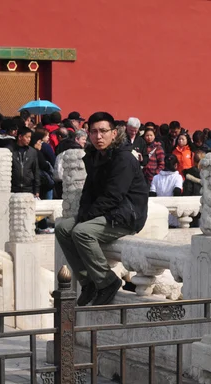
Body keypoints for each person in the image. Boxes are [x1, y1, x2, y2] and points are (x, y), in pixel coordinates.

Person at [55, 112, 148, 307]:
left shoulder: (123, 158)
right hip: (106, 212)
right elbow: (89, 191)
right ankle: (88, 282)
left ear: (114, 133)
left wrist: (86, 218)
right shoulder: (95, 156)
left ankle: (107, 281)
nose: (99, 136)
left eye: (104, 131)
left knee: (81, 232)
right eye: (94, 132)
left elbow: (114, 196)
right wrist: (83, 214)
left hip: (126, 215)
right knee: (63, 228)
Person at [150, 154, 183, 227]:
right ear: (176, 165)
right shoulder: (178, 177)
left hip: (159, 213)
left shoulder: (156, 178)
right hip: (172, 213)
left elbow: (152, 194)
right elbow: (177, 192)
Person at [10, 127, 40, 197]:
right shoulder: (10, 150)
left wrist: (37, 190)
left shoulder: (32, 152)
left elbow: (36, 170)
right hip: (13, 188)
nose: (29, 139)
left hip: (28, 188)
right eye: (27, 137)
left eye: (30, 137)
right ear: (20, 137)